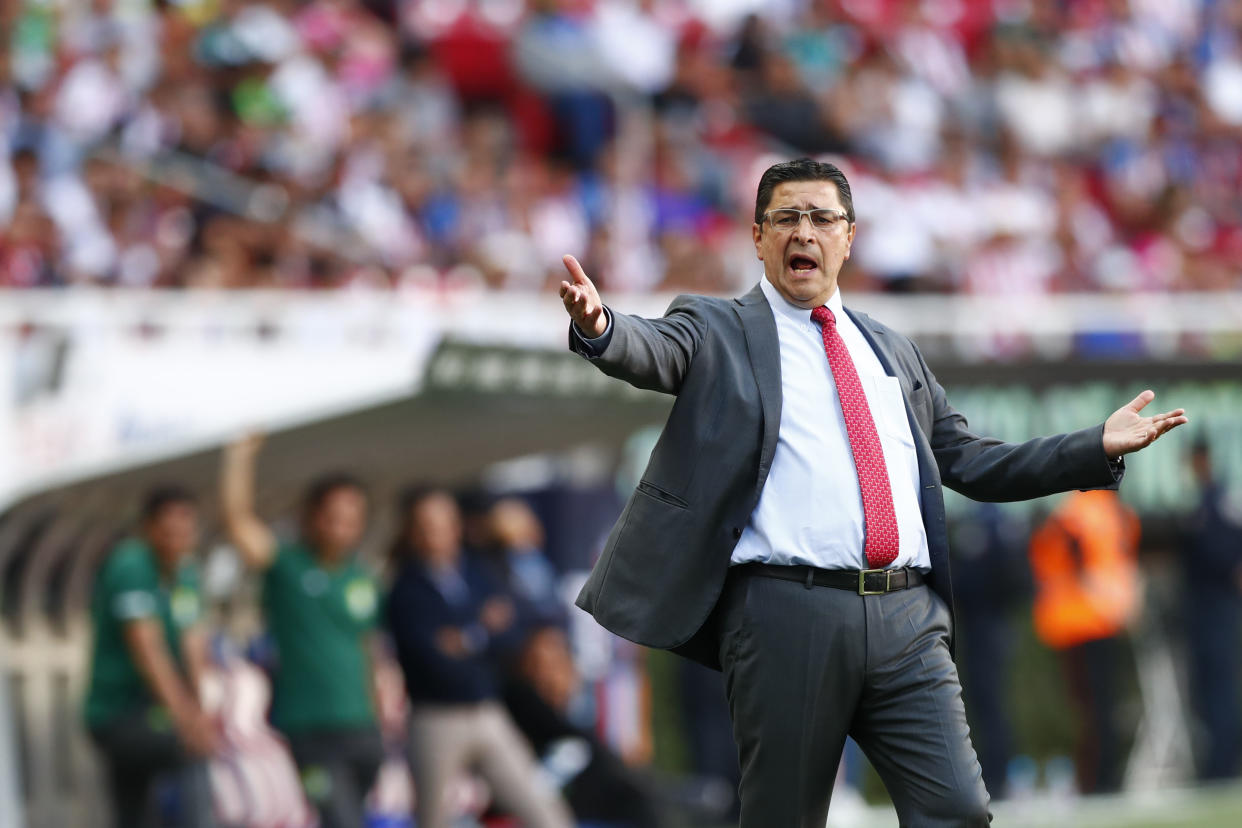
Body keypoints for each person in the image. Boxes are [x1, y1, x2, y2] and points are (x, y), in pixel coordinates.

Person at [557, 157, 1187, 826]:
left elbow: (969, 461)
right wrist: (601, 327)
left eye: (822, 218)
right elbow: (653, 348)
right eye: (788, 218)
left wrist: (1092, 447)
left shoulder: (891, 350)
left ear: (848, 237)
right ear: (759, 237)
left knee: (959, 812)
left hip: (907, 619)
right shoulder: (718, 329)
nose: (806, 231)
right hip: (784, 613)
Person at [220, 435, 384, 828]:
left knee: (354, 818)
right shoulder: (288, 566)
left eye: (351, 518)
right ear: (311, 516)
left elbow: (367, 647)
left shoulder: (361, 577)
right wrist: (238, 458)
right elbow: (238, 523)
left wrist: (377, 711)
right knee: (338, 818)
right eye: (333, 516)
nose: (342, 527)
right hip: (309, 728)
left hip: (362, 728)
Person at [385, 487, 574, 828]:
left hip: (486, 711)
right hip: (435, 718)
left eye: (444, 523)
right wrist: (480, 630)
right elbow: (431, 657)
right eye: (427, 525)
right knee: (433, 819)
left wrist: (463, 638)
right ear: (412, 531)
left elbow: (510, 633)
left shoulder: (477, 572)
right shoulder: (405, 588)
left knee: (545, 812)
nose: (437, 533)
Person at [83, 485, 218, 828]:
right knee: (186, 751)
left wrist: (199, 711)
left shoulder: (185, 573)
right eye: (168, 531)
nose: (177, 539)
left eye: (186, 531)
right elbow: (148, 650)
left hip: (155, 710)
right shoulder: (132, 564)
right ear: (148, 529)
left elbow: (192, 645)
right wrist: (188, 722)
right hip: (120, 711)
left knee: (133, 809)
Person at [1028, 489, 1141, 794]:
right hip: (1104, 619)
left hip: (1076, 620)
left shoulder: (1073, 513)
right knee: (1103, 706)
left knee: (1084, 709)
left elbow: (1071, 559)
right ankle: (1105, 777)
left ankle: (1093, 779)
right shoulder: (1115, 511)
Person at [1180, 439, 1242, 780]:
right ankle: (1218, 760)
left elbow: (1227, 555)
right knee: (1206, 688)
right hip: (1203, 608)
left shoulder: (1221, 502)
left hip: (1219, 608)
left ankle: (1224, 763)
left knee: (1220, 686)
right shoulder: (1202, 503)